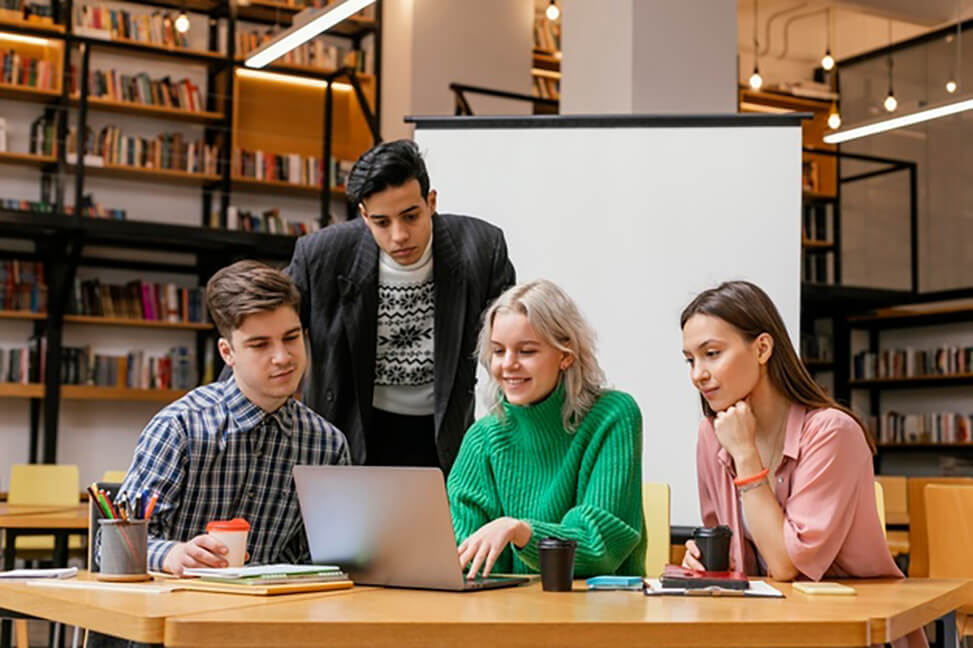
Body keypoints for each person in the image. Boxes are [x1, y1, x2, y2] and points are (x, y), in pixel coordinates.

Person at [680, 280, 925, 648]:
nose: (697, 373)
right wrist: (704, 561)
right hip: (771, 629)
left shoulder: (831, 432)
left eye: (712, 353)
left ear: (762, 348)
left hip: (851, 632)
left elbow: (786, 566)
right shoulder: (712, 434)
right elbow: (733, 560)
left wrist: (745, 455)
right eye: (690, 359)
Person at [284, 139, 515, 473]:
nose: (399, 235)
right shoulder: (322, 254)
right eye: (382, 222)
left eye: (411, 216)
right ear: (363, 215)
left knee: (439, 526)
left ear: (431, 201)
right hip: (351, 428)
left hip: (442, 433)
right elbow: (266, 324)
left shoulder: (480, 248)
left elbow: (512, 341)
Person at [116, 261, 350, 577]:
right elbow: (114, 545)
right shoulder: (180, 428)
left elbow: (323, 560)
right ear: (228, 353)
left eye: (291, 338)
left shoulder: (328, 445)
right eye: (260, 344)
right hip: (178, 609)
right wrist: (172, 554)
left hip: (272, 616)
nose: (282, 357)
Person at [447, 280, 645, 579]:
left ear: (566, 355)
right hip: (509, 615)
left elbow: (598, 547)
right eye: (499, 351)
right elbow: (465, 556)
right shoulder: (482, 438)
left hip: (601, 612)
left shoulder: (613, 416)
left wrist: (520, 531)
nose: (508, 364)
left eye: (526, 351)